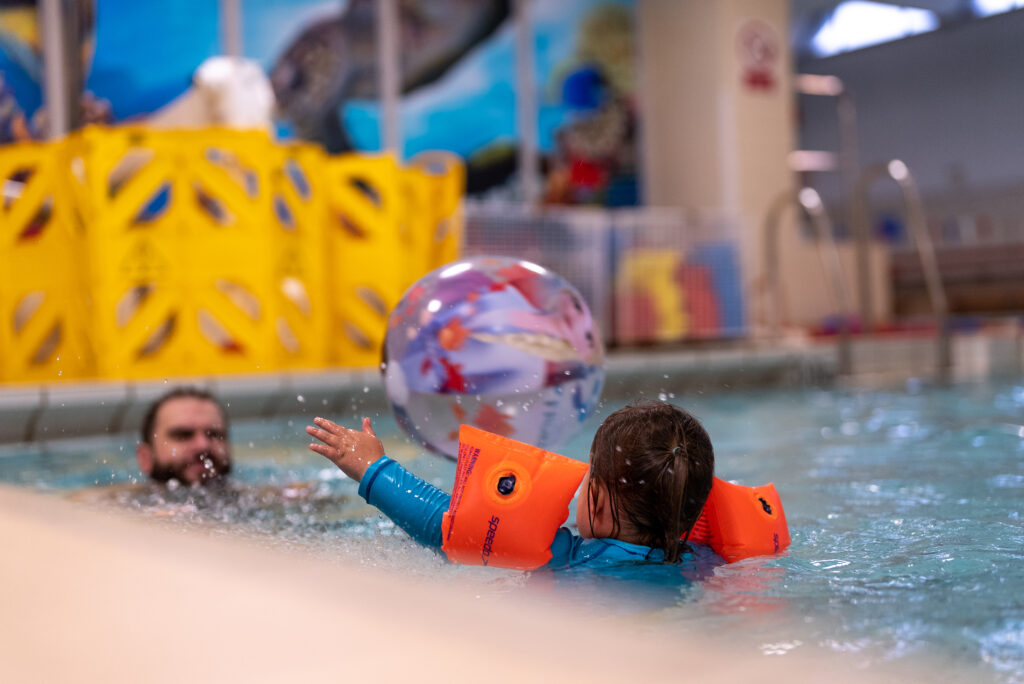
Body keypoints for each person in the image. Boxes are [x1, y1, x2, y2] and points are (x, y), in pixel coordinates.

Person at [306, 401, 717, 569]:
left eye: (590, 473)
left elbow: (448, 527)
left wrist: (372, 468)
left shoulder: (567, 557)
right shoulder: (701, 559)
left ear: (602, 502)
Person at [136, 387, 232, 486]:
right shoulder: (123, 500)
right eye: (183, 435)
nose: (203, 445)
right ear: (145, 458)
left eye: (214, 435)